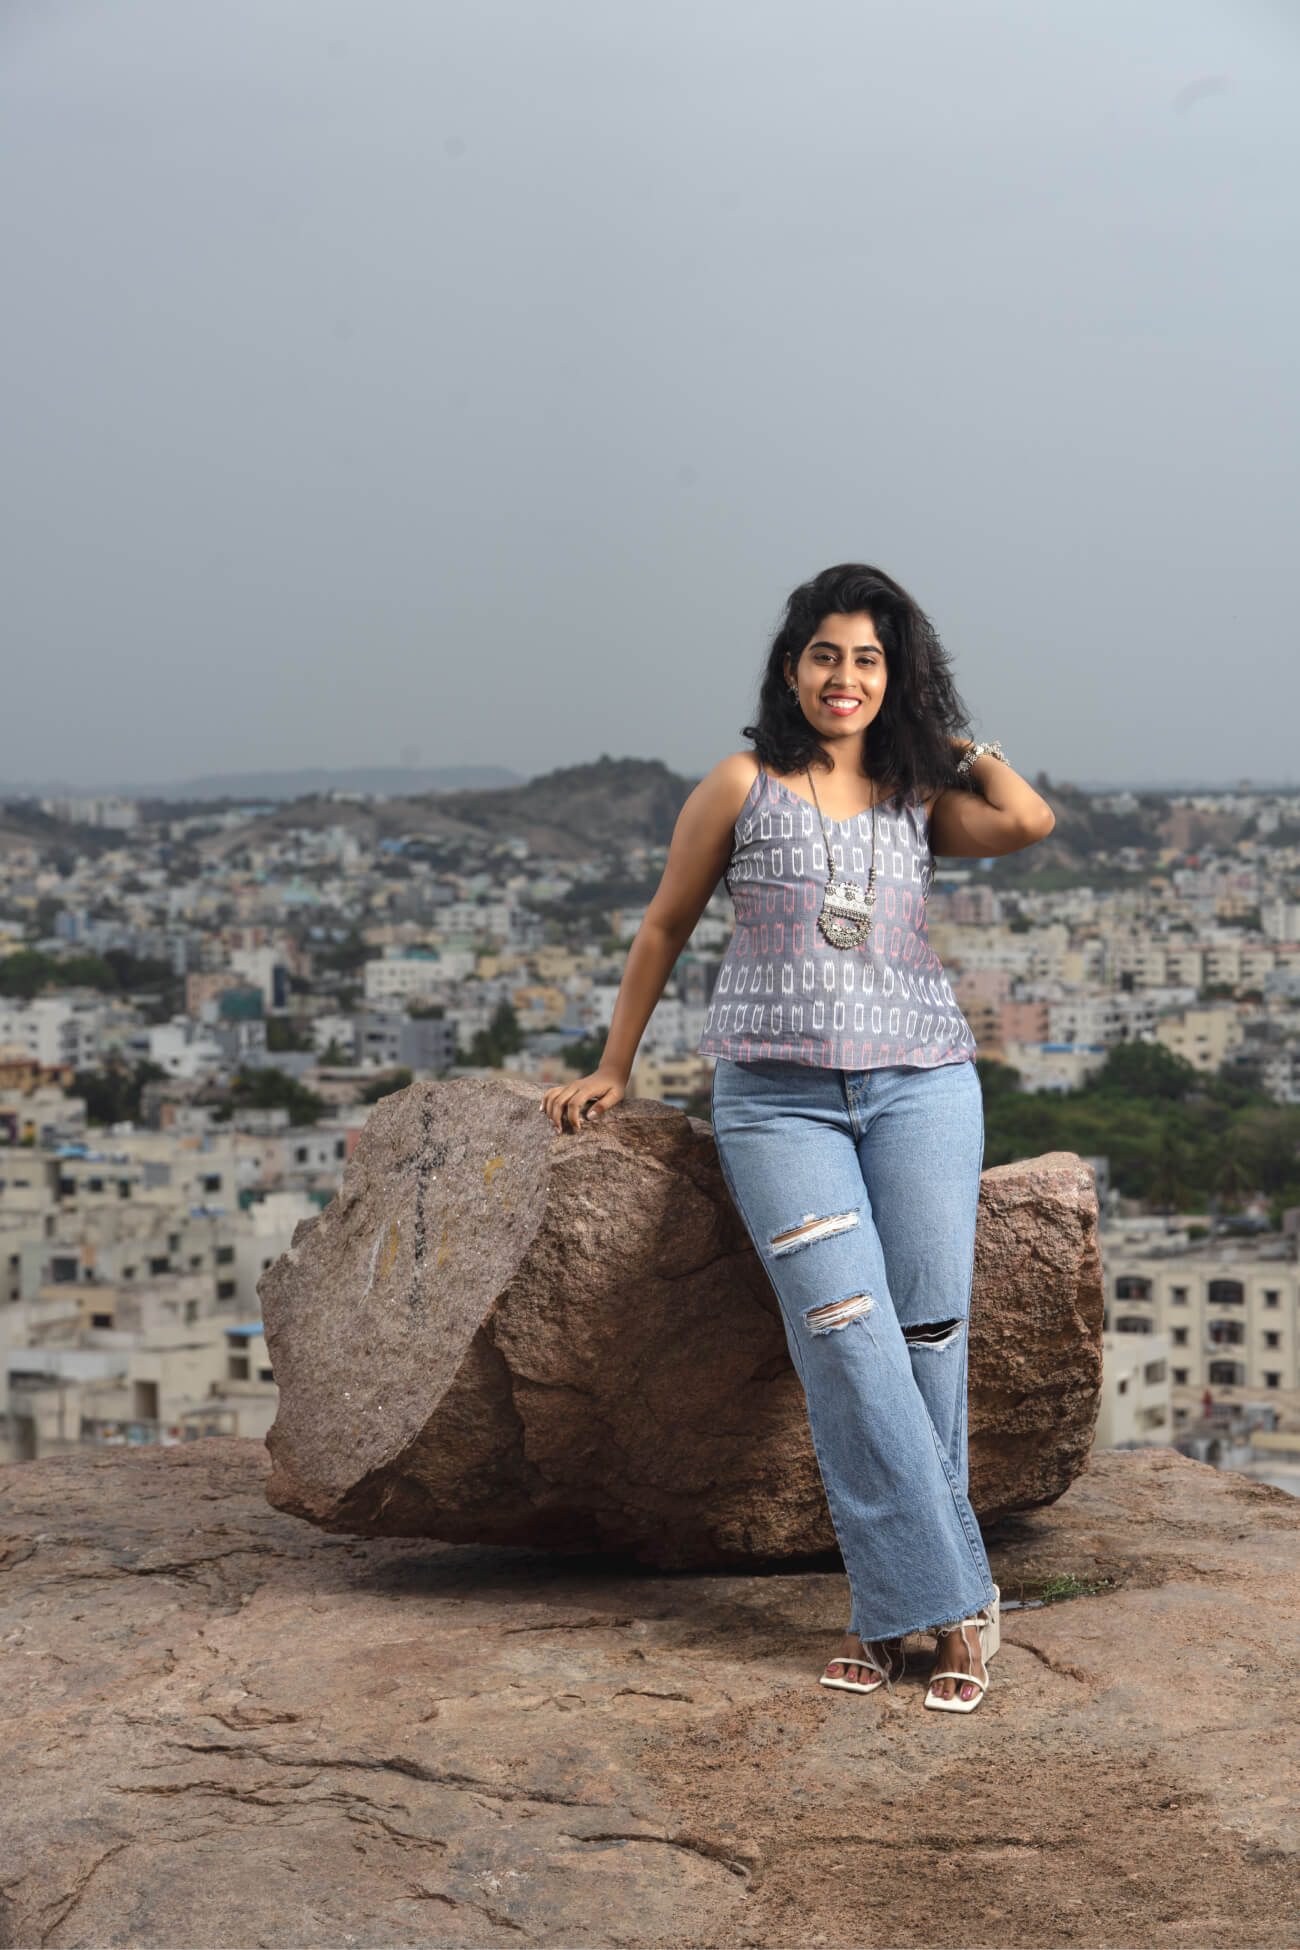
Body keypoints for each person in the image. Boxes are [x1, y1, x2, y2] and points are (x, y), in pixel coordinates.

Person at [542, 561, 1055, 1713]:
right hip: (777, 1102)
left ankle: (893, 1618)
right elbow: (665, 923)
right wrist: (613, 1066)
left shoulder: (917, 799)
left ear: (894, 676)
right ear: (790, 667)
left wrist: (947, 732)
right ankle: (952, 1607)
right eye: (825, 654)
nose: (844, 676)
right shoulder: (740, 784)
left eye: (870, 658)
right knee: (843, 1337)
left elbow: (1027, 817)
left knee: (927, 1340)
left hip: (921, 1087)